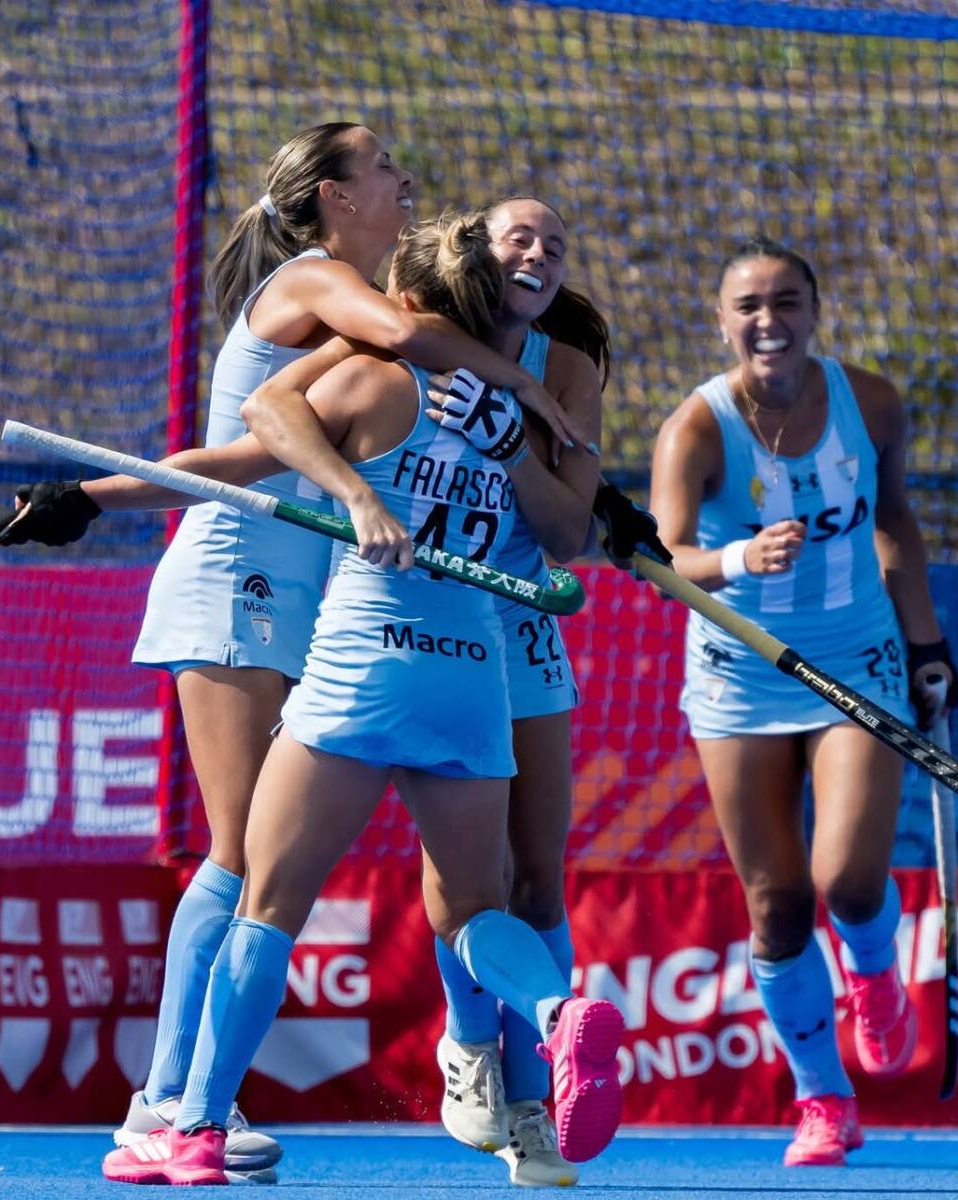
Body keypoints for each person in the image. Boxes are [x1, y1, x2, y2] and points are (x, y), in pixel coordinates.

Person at [0, 123, 593, 1182]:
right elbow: (391, 387)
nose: (406, 182)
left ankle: (186, 1115)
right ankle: (547, 1007)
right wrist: (525, 397)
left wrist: (361, 486)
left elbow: (264, 426)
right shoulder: (337, 293)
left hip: (349, 633)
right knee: (461, 898)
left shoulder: (376, 360)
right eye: (385, 170)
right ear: (334, 195)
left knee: (260, 883)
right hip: (273, 585)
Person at [242, 196, 669, 1187]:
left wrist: (514, 442)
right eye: (521, 236)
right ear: (475, 255)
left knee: (530, 878)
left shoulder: (568, 365)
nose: (542, 252)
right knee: (460, 889)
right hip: (406, 625)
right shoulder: (411, 332)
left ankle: (536, 1108)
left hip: (515, 625)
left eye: (557, 244)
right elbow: (279, 416)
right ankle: (482, 1067)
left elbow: (566, 535)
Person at [647, 235, 958, 1167]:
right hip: (740, 678)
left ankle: (874, 977)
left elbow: (895, 520)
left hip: (857, 664)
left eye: (786, 302)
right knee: (778, 906)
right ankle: (824, 1099)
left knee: (848, 880)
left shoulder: (870, 403)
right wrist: (740, 557)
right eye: (748, 306)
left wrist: (927, 644)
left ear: (813, 313)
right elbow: (661, 563)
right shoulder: (695, 430)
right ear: (722, 321)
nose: (768, 322)